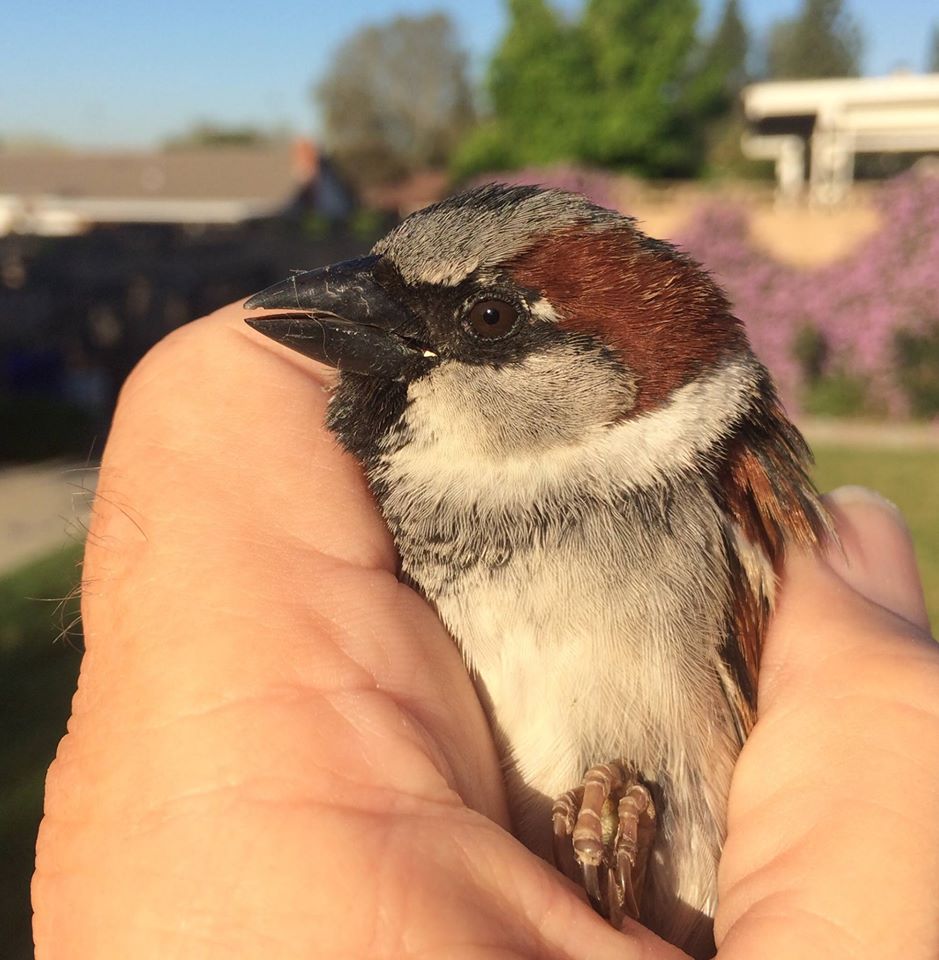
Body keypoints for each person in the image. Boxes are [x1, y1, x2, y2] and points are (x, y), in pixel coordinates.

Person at [32, 303, 938, 960]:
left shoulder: (698, 495)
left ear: (619, 384)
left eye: (489, 322)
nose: (376, 324)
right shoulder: (353, 509)